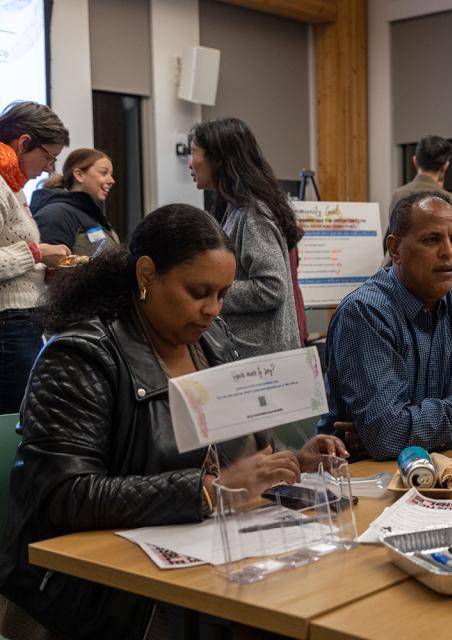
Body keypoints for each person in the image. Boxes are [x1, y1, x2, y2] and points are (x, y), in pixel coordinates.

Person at [0, 204, 346, 640]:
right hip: (101, 592)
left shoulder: (211, 344)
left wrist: (290, 461)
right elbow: (65, 495)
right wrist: (206, 492)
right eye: (199, 291)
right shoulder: (81, 357)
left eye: (222, 294)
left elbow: (236, 460)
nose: (213, 310)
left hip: (196, 565)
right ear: (146, 275)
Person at [323, 192, 452, 460]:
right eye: (432, 239)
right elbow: (387, 435)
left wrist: (406, 438)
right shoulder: (366, 313)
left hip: (449, 472)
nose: (448, 252)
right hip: (365, 480)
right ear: (395, 250)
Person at [188, 117, 303, 358]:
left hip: (261, 359)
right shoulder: (234, 208)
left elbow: (272, 287)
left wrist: (212, 292)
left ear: (218, 159)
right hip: (253, 354)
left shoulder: (252, 214)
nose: (190, 163)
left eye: (193, 153)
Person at [0, 101, 70, 414]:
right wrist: (37, 252)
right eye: (48, 158)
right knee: (18, 419)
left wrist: (45, 266)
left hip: (21, 321)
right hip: (8, 326)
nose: (48, 169)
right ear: (24, 142)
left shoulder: (14, 188)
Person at [388, 135, 452, 285]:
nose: (448, 250)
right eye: (432, 240)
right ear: (445, 166)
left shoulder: (398, 195)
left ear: (415, 161)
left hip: (398, 279)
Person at [30, 148, 120, 256]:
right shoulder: (56, 214)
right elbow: (50, 266)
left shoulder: (90, 214)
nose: (111, 181)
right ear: (79, 175)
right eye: (104, 173)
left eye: (111, 174)